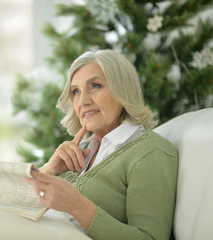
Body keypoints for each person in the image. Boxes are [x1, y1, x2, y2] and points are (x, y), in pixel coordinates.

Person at [26, 49, 178, 240]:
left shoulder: (150, 152)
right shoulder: (78, 151)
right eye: (75, 91)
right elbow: (20, 207)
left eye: (95, 86)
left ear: (122, 90)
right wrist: (49, 170)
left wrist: (77, 205)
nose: (83, 101)